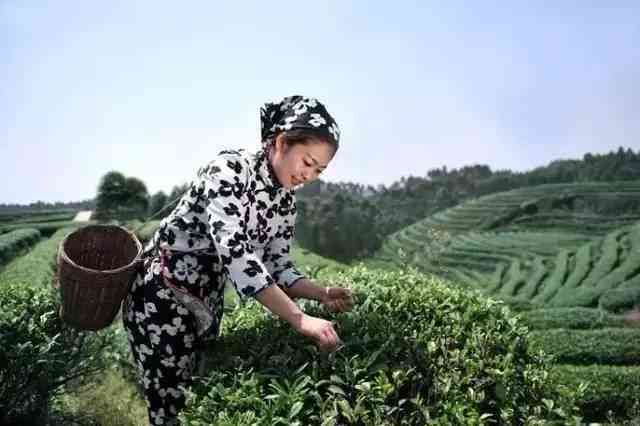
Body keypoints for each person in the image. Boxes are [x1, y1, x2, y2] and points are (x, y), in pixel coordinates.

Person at [122, 95, 354, 425]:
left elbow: (278, 265)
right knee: (170, 403)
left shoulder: (285, 201)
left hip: (206, 299)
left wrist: (320, 292)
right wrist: (299, 319)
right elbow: (236, 253)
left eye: (320, 169)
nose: (310, 175)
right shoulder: (229, 171)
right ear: (281, 142)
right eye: (307, 162)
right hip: (161, 297)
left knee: (196, 395)